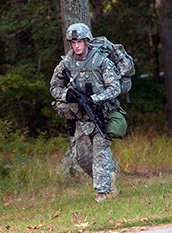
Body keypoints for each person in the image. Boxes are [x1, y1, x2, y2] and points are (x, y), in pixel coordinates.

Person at [50, 23, 121, 202]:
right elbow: (54, 87)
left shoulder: (101, 61)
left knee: (100, 151)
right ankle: (108, 178)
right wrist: (68, 94)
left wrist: (95, 99)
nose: (77, 46)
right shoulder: (66, 63)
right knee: (81, 157)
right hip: (80, 118)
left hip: (101, 114)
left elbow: (115, 88)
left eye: (80, 42)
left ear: (87, 41)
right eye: (73, 42)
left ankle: (102, 194)